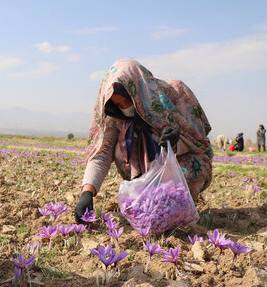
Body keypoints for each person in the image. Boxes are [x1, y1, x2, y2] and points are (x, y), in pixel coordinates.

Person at [75, 58, 213, 223]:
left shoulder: (173, 95)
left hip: (178, 173)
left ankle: (181, 203)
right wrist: (87, 192)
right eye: (117, 103)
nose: (123, 107)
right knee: (119, 149)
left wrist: (176, 140)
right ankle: (152, 202)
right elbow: (101, 155)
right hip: (145, 181)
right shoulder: (115, 117)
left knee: (177, 194)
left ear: (137, 91)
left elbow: (199, 143)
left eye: (126, 100)